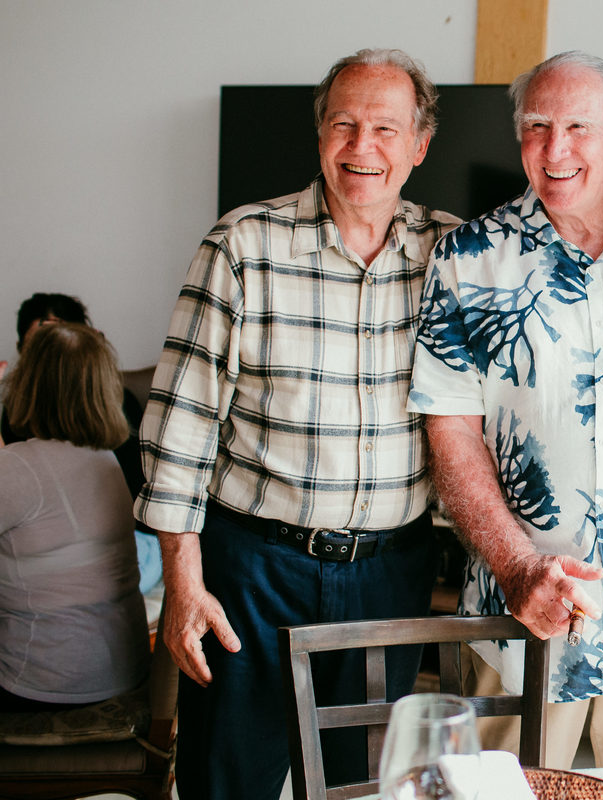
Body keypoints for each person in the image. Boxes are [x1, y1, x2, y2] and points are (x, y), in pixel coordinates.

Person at [135, 49, 459, 800]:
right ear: (319, 136)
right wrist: (182, 583)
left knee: (368, 789)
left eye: (385, 127)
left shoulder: (457, 252)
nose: (361, 147)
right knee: (228, 782)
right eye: (343, 124)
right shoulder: (242, 245)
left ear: (419, 146)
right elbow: (179, 428)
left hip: (389, 573)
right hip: (253, 570)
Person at [408, 51, 603, 769]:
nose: (556, 149)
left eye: (579, 126)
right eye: (537, 126)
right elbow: (450, 430)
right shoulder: (466, 258)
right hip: (519, 615)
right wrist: (519, 568)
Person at [0, 323, 150, 711]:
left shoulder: (20, 468)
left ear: (28, 383)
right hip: (123, 674)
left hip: (45, 686)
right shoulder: (106, 462)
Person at [1, 292, 145, 502]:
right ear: (22, 350)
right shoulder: (16, 407)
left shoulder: (118, 405)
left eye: (61, 346)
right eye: (39, 349)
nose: (50, 363)